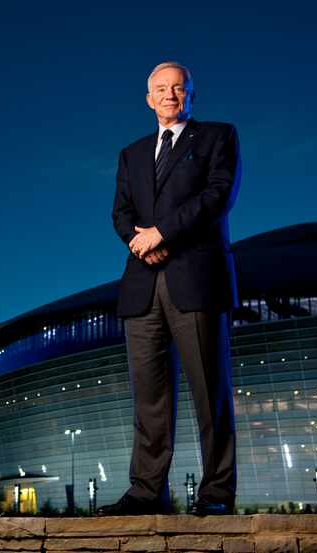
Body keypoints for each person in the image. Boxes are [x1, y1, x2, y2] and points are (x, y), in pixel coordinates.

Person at [98, 61, 241, 516]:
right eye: (161, 88)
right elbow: (121, 212)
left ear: (191, 94)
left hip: (196, 280)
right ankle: (146, 492)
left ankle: (216, 494)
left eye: (178, 88)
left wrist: (162, 234)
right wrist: (141, 243)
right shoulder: (131, 153)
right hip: (142, 286)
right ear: (147, 98)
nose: (169, 95)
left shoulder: (219, 137)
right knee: (150, 400)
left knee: (209, 393)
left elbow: (217, 196)